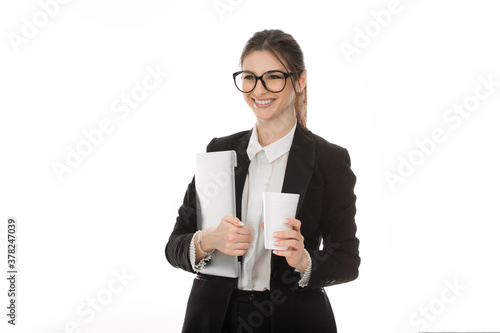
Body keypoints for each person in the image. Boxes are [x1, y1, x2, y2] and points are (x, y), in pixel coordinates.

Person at [165, 29, 360, 333]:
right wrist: (209, 240)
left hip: (294, 320)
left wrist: (303, 260)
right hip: (216, 319)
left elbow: (347, 260)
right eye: (249, 77)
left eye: (273, 76)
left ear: (300, 80)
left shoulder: (329, 160)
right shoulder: (220, 151)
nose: (258, 89)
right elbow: (174, 245)